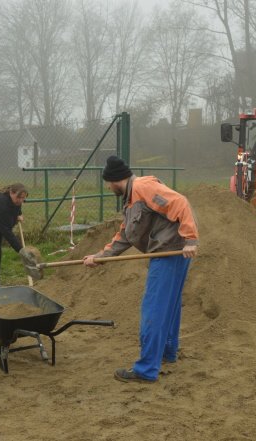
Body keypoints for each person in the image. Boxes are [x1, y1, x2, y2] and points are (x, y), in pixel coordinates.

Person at [83, 156, 199, 384]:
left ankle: (146, 370)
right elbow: (125, 235)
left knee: (154, 309)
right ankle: (167, 352)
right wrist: (100, 257)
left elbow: (180, 203)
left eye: (108, 184)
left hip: (168, 254)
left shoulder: (143, 187)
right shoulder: (131, 200)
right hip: (171, 253)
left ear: (115, 180)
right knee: (169, 305)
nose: (108, 188)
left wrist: (191, 239)